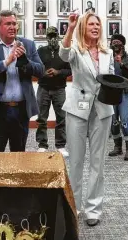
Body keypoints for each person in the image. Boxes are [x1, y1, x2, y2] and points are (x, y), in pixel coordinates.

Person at [59, 11, 114, 227]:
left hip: (102, 109)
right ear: (83, 27)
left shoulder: (107, 52)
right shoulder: (76, 50)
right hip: (77, 108)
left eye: (98, 24)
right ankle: (74, 206)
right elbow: (63, 54)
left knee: (98, 162)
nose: (95, 27)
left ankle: (93, 209)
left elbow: (110, 78)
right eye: (91, 24)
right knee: (76, 161)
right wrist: (70, 28)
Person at [0, 10, 44, 152]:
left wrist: (25, 61)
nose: (12, 27)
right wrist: (5, 63)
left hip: (21, 109)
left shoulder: (28, 44)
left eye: (14, 23)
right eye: (8, 24)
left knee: (18, 156)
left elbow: (41, 71)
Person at [35, 26, 71, 157]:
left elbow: (70, 70)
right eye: (50, 36)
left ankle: (60, 145)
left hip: (60, 89)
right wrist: (43, 73)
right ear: (46, 38)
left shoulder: (64, 52)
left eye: (55, 36)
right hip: (43, 88)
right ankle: (42, 144)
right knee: (41, 118)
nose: (53, 39)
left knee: (61, 117)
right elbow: (35, 68)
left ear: (59, 37)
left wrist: (58, 72)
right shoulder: (40, 51)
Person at [107, 34, 128, 160]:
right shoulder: (106, 57)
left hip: (125, 92)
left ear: (123, 44)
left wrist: (121, 64)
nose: (115, 44)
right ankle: (117, 147)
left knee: (125, 120)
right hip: (111, 92)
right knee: (113, 121)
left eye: (118, 42)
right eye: (113, 42)